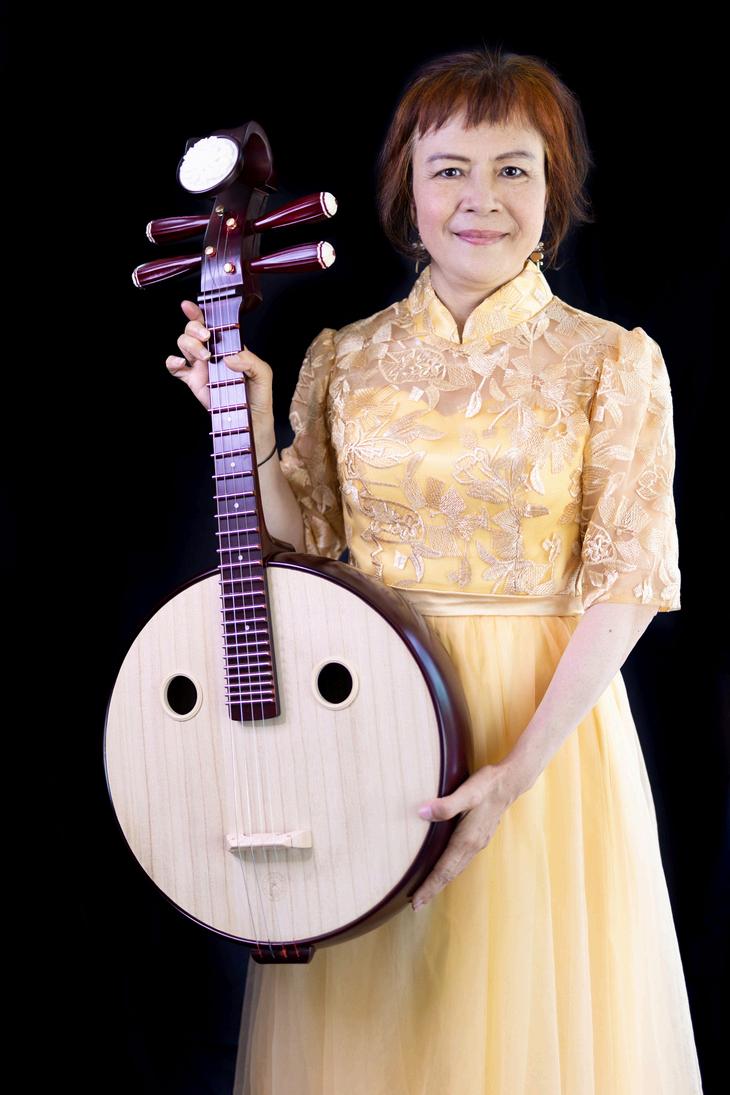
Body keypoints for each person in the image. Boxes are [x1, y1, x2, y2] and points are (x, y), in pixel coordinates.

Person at [167, 46, 703, 1095]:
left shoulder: (611, 359)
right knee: (380, 1025)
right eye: (449, 168)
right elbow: (304, 542)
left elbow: (630, 580)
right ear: (407, 192)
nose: (479, 198)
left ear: (551, 193)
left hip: (540, 728)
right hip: (370, 718)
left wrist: (513, 774)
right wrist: (247, 423)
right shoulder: (345, 356)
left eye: (513, 169)